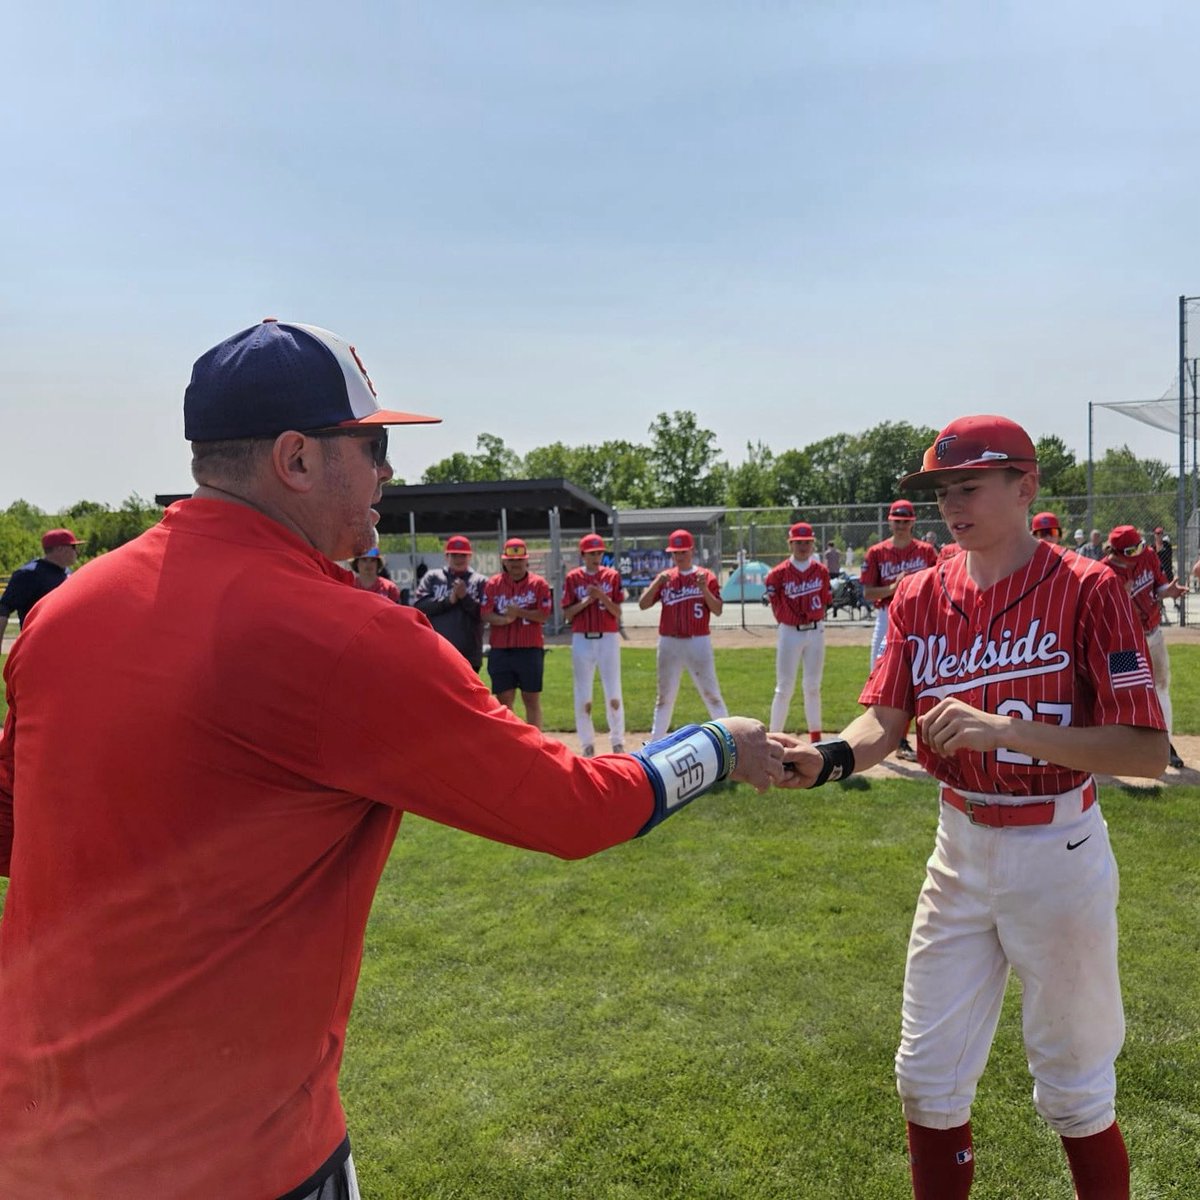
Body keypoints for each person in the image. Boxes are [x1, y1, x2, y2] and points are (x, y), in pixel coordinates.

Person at [0, 318, 786, 1200]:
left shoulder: (63, 614)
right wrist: (718, 746)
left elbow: (14, 829)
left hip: (31, 1137)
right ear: (296, 458)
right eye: (372, 447)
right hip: (232, 1154)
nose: (386, 473)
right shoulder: (348, 636)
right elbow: (576, 808)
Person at [779, 414, 1167, 1200]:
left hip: (1058, 852)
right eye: (941, 492)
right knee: (926, 1078)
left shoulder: (1087, 588)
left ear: (1025, 487)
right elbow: (885, 719)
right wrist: (828, 759)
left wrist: (1008, 730)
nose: (951, 505)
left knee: (1076, 1090)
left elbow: (1144, 753)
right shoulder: (918, 594)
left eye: (969, 486)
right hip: (956, 848)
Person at [1103, 525, 1186, 770]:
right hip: (1125, 643)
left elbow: (1158, 587)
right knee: (1127, 692)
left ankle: (1166, 744)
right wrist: (1120, 598)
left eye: (1140, 546)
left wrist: (1168, 592)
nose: (1139, 553)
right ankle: (1125, 747)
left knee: (1161, 686)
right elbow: (1102, 615)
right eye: (1132, 550)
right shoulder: (1105, 571)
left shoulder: (1148, 555)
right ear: (1115, 552)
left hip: (1153, 633)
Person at [860, 499, 937, 760]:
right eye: (897, 521)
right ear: (890, 522)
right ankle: (876, 739)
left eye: (905, 521)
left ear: (912, 522)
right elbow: (868, 592)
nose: (901, 525)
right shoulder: (877, 552)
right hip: (887, 615)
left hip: (920, 616)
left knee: (920, 677)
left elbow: (939, 585)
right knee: (880, 677)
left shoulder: (926, 552)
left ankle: (906, 741)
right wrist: (894, 588)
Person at [639, 529, 729, 740]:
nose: (679, 556)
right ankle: (654, 744)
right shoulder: (666, 578)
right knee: (664, 697)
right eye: (675, 552)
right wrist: (657, 583)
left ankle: (730, 738)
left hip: (698, 641)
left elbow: (717, 610)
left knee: (712, 695)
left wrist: (704, 589)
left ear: (692, 551)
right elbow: (643, 604)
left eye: (683, 552)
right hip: (669, 642)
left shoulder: (706, 576)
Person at [765, 522, 831, 741]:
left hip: (815, 630)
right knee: (784, 687)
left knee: (813, 686)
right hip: (790, 631)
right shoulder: (777, 574)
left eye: (807, 542)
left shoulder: (821, 571)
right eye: (798, 542)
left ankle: (816, 737)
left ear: (813, 544)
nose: (803, 546)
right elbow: (776, 604)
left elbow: (825, 600)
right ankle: (774, 737)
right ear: (790, 544)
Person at [561, 533, 626, 756]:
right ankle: (587, 744)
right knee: (583, 693)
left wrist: (602, 597)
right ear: (583, 555)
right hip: (582, 638)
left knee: (613, 691)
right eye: (591, 554)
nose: (596, 557)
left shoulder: (612, 576)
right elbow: (567, 613)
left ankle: (617, 741)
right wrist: (587, 601)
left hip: (608, 637)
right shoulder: (573, 578)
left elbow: (617, 612)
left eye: (599, 553)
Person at [482, 538, 553, 728]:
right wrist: (505, 620)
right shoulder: (493, 584)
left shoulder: (539, 584)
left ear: (526, 560)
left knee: (531, 698)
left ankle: (536, 740)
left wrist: (519, 613)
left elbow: (544, 615)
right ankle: (510, 740)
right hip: (501, 649)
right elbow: (485, 613)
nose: (516, 564)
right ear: (504, 561)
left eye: (520, 560)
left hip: (530, 648)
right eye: (511, 560)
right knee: (504, 700)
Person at [413, 534, 487, 672]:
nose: (458, 559)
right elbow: (420, 606)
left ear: (470, 557)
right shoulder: (433, 577)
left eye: (462, 555)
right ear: (446, 556)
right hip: (437, 650)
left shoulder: (480, 581)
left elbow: (484, 614)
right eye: (454, 555)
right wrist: (448, 600)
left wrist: (465, 597)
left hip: (469, 653)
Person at [0, 528, 84, 636]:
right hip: (38, 641)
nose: (77, 552)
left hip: (66, 639)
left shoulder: (68, 573)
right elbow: (4, 608)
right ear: (60, 549)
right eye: (73, 547)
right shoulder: (29, 574)